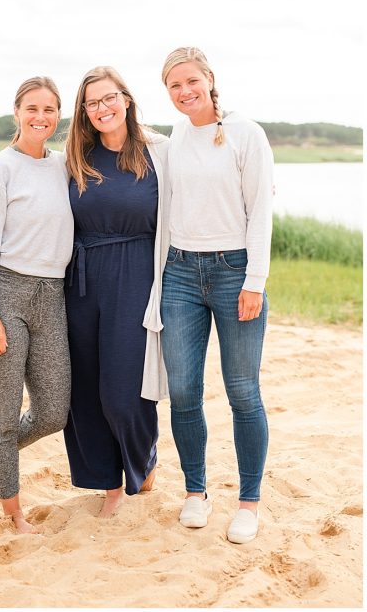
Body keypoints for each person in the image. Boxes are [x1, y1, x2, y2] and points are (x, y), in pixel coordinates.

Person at [159, 46, 273, 545]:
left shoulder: (246, 134)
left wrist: (255, 282)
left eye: (191, 81)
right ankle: (195, 491)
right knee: (183, 392)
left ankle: (248, 503)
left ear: (209, 79)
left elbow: (261, 212)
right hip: (180, 273)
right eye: (173, 86)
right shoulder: (172, 141)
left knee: (242, 391)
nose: (185, 92)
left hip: (234, 273)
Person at [0, 76, 74, 534]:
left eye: (49, 110)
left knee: (54, 411)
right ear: (16, 112)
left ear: (59, 115)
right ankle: (14, 514)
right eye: (32, 108)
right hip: (4, 298)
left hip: (52, 296)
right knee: (4, 415)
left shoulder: (64, 165)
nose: (40, 117)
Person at [62, 66, 171, 518]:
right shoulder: (75, 158)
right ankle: (107, 484)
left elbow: (210, 179)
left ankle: (142, 463)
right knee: (83, 390)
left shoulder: (161, 150)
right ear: (84, 112)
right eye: (92, 102)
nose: (102, 108)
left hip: (136, 277)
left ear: (126, 99)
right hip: (81, 281)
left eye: (110, 98)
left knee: (124, 391)